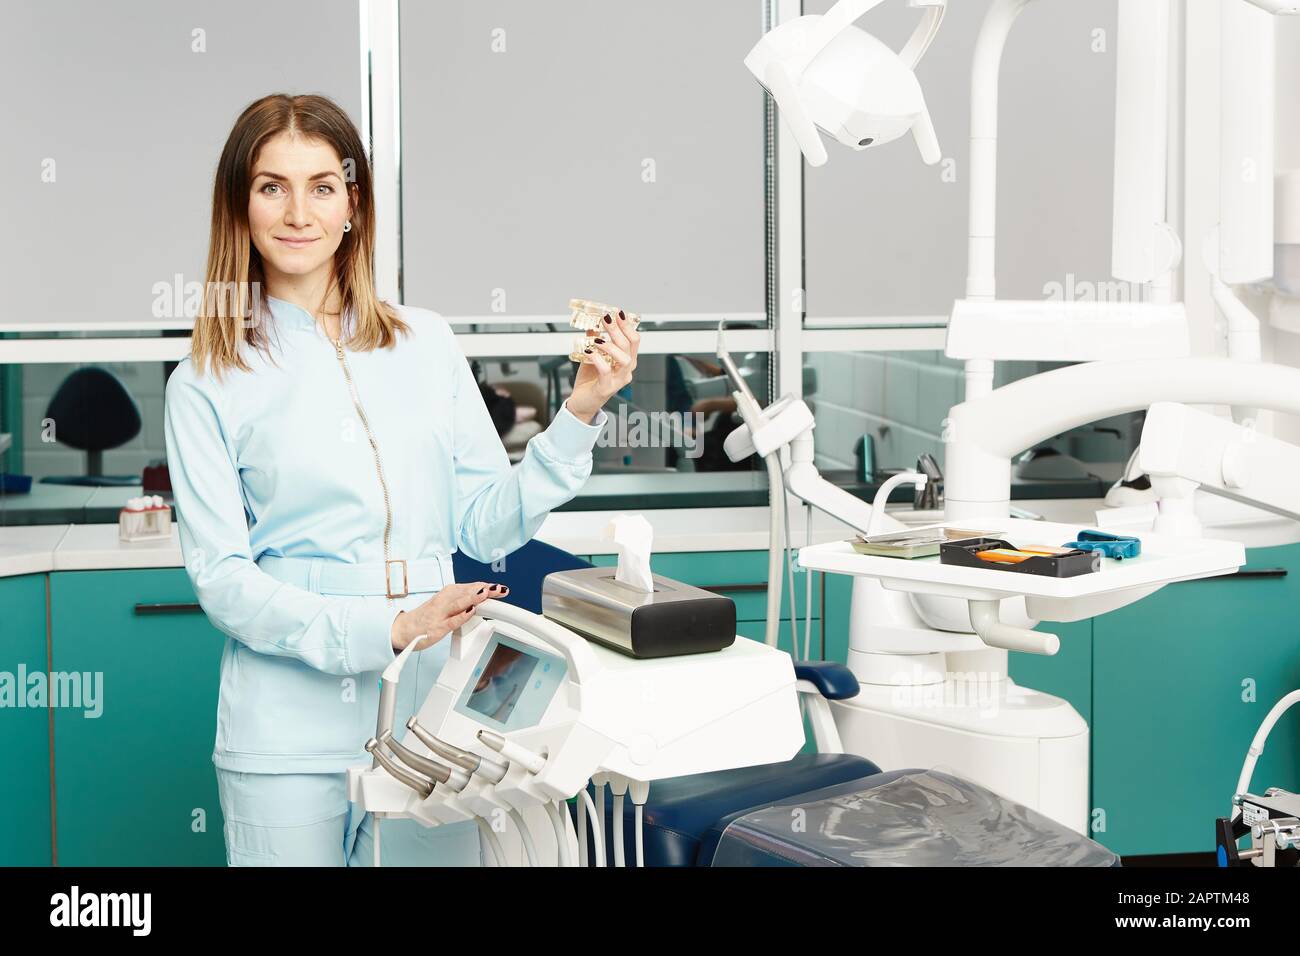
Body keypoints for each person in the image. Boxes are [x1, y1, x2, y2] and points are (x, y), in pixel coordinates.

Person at [163, 93, 639, 866]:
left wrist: (581, 409)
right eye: (270, 186)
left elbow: (485, 525)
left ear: (353, 204)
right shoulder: (207, 379)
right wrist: (388, 628)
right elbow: (223, 580)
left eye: (322, 185)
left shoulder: (427, 343)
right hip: (284, 736)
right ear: (239, 207)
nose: (297, 211)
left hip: (433, 723)